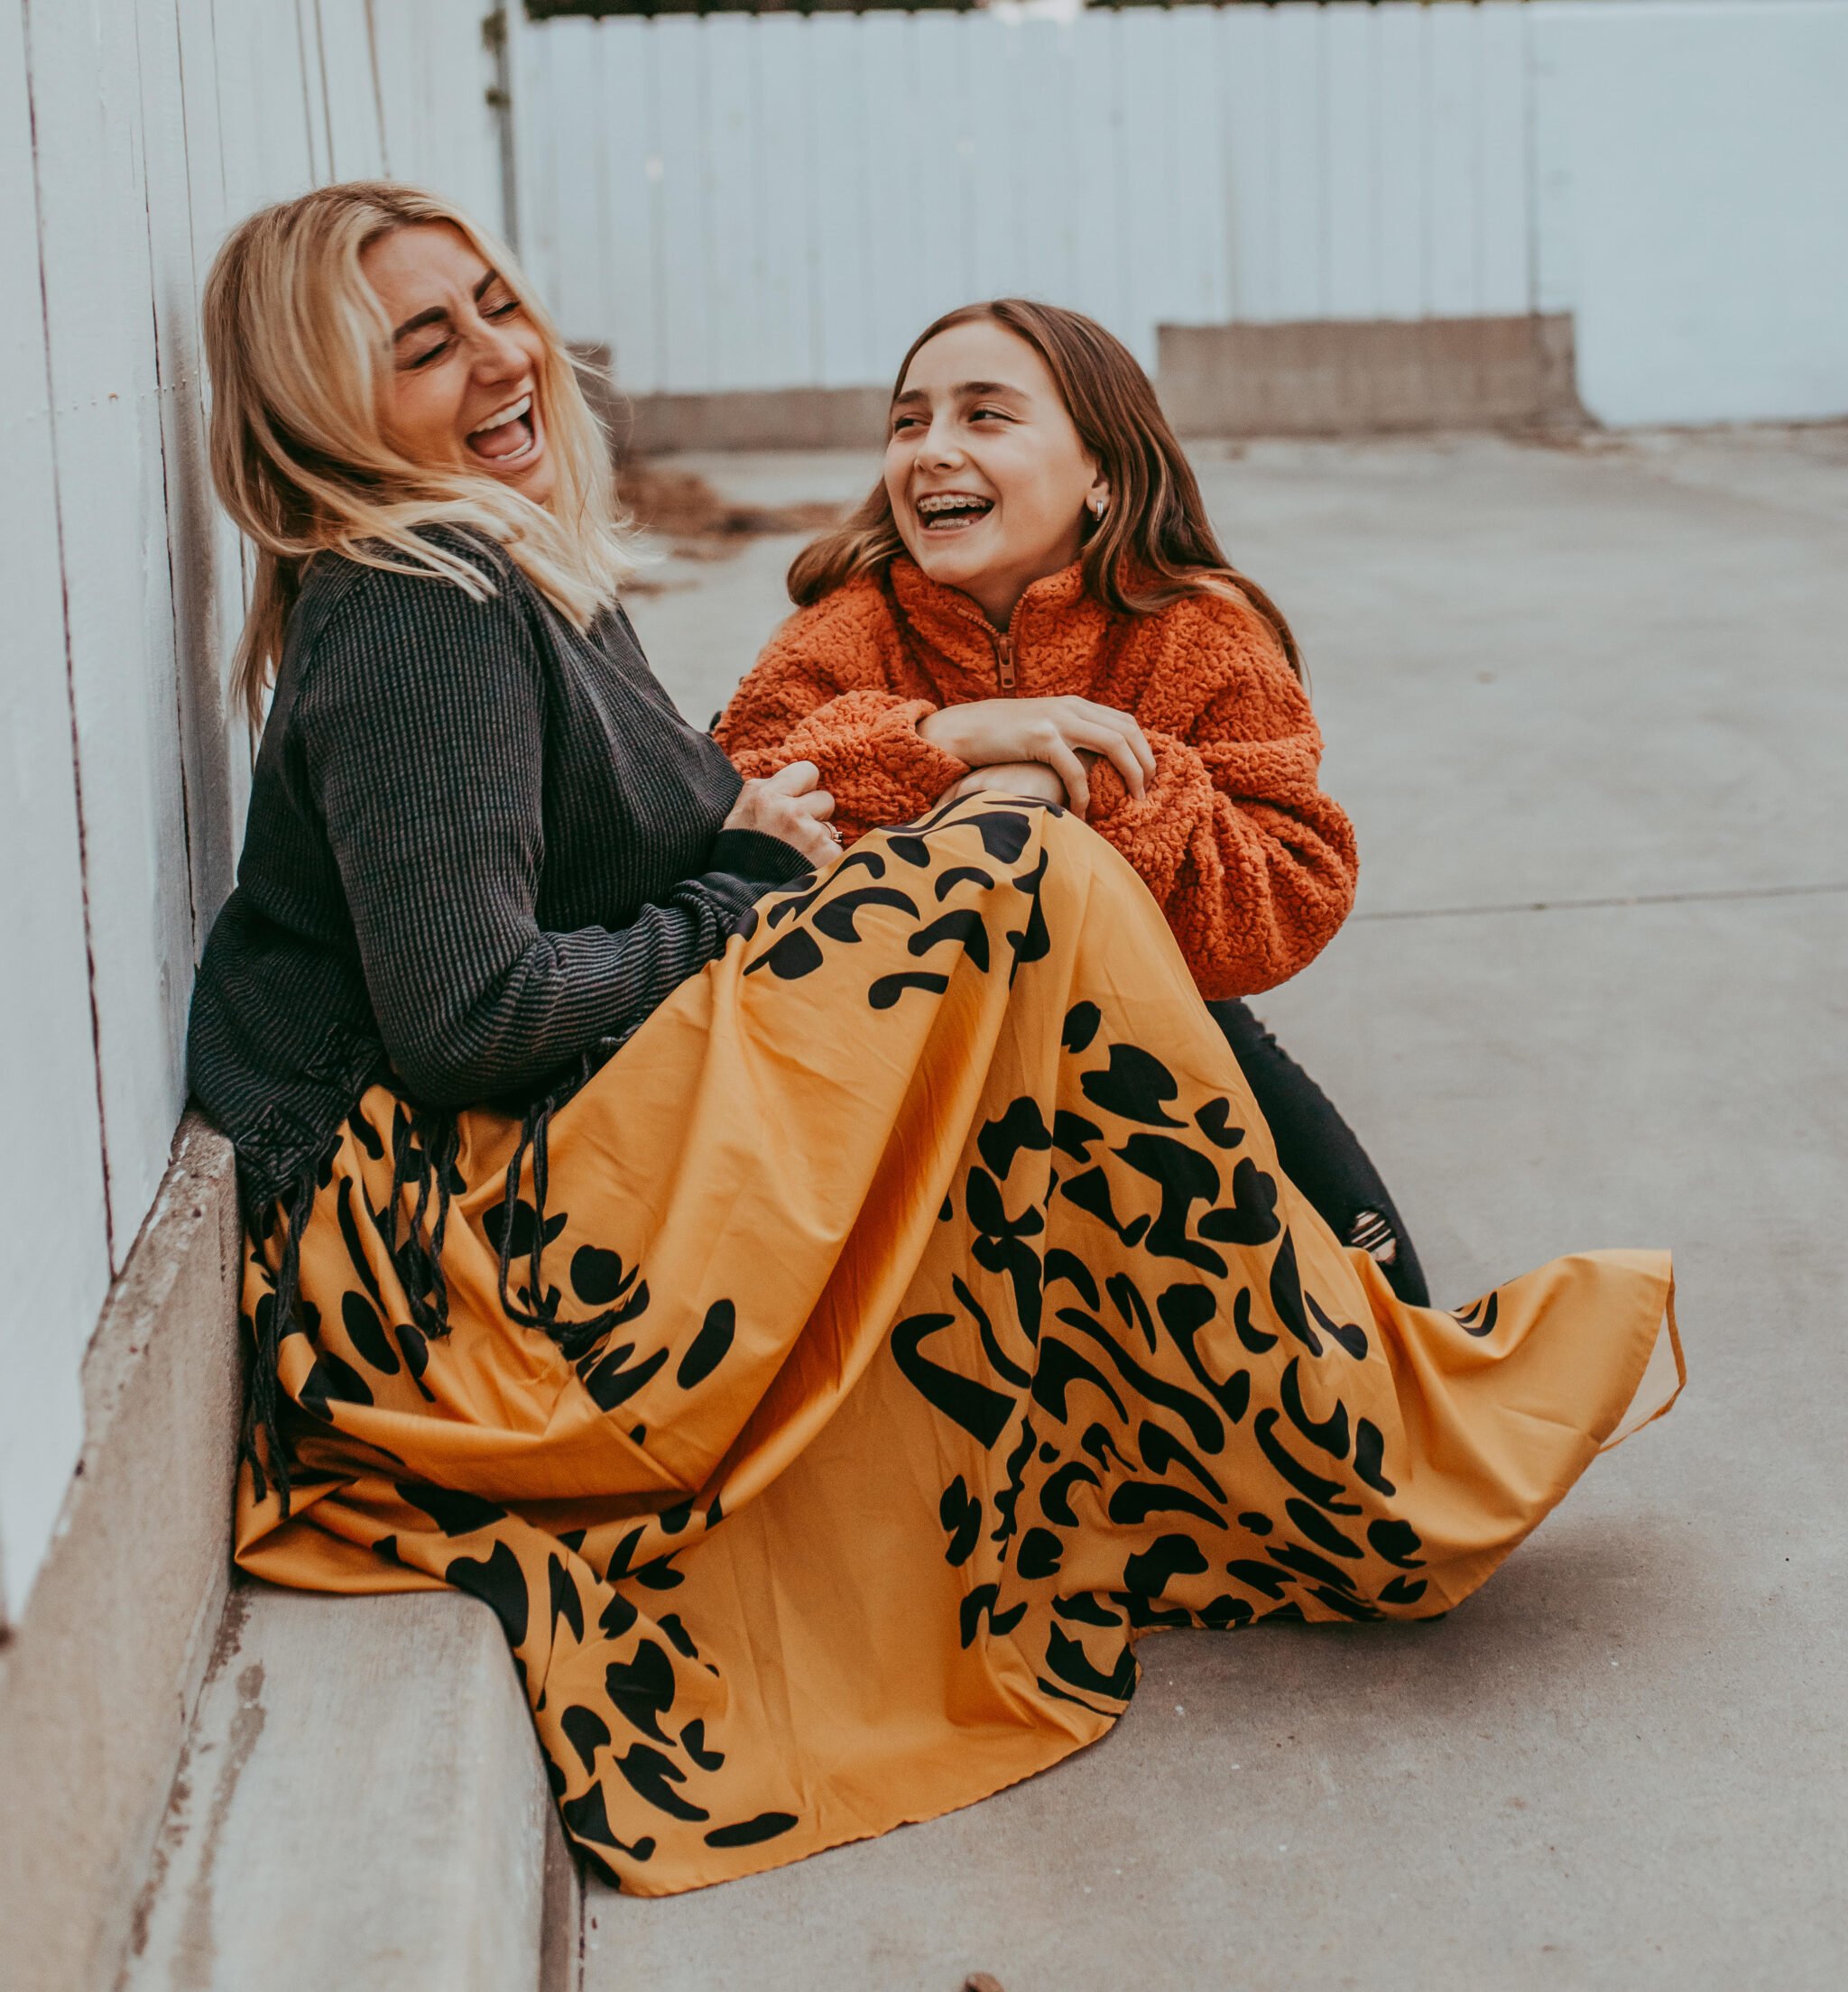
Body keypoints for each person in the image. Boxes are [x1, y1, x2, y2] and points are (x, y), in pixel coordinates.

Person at [189, 182, 1678, 1901]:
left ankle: (1331, 1394)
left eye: (493, 305)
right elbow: (469, 1019)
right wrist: (755, 882)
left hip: (517, 1180)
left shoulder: (507, 567)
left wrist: (910, 776)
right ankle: (1355, 1426)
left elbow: (723, 821)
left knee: (1017, 891)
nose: (500, 356)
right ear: (317, 396)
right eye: (420, 341)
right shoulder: (418, 597)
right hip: (439, 1269)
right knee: (1011, 875)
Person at [719, 298, 1429, 1300]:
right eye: (908, 420)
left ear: (1098, 466)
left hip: (1153, 1032)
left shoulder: (1196, 631)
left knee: (1385, 1310)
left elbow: (1284, 895)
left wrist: (1066, 784)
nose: (931, 451)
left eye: (985, 416)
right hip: (897, 1064)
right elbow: (741, 808)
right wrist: (934, 743)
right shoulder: (841, 632)